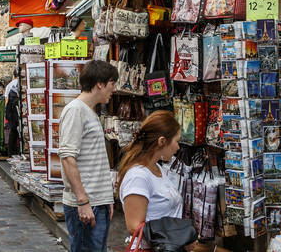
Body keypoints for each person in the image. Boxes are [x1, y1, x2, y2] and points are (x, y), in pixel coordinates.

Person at [58, 60, 119, 252]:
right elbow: (68, 158)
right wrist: (82, 201)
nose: (114, 89)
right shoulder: (75, 110)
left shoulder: (88, 111)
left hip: (97, 201)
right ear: (100, 83)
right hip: (87, 204)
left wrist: (106, 199)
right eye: (112, 83)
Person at [117, 110, 192, 250]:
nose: (178, 147)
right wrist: (180, 237)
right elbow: (135, 227)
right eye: (176, 141)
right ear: (162, 141)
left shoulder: (156, 168)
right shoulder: (138, 177)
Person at [4, 69, 22, 155]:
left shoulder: (9, 85)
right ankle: (16, 150)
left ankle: (11, 151)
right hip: (16, 111)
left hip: (11, 111)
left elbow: (6, 100)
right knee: (17, 131)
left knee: (13, 131)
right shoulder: (19, 83)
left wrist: (7, 113)